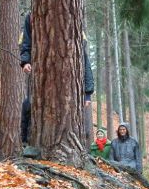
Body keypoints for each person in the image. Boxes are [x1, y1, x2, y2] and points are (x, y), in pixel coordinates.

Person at [19, 12, 95, 143]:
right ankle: (25, 142)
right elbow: (25, 42)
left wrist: (87, 93)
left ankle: (75, 147)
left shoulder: (73, 17)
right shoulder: (31, 17)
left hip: (67, 79)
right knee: (29, 105)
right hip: (41, 74)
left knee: (68, 112)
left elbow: (84, 61)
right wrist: (25, 61)